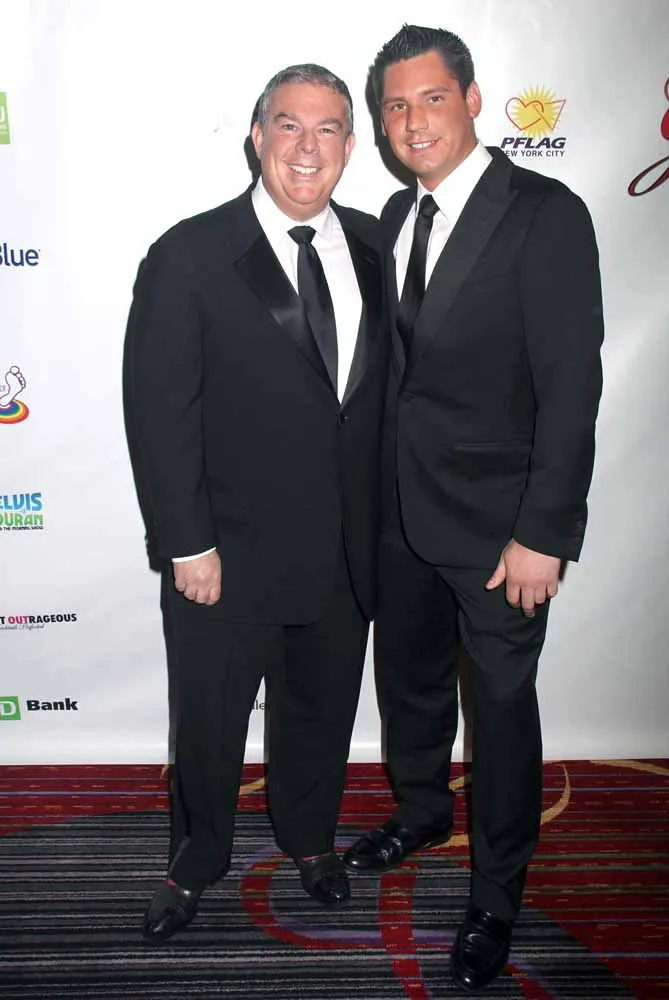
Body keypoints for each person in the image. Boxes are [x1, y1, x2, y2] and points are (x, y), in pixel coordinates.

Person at [343, 25, 604, 990]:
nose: (413, 121)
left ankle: (496, 892)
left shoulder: (544, 213)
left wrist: (544, 531)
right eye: (395, 105)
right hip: (399, 512)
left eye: (431, 98)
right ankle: (420, 812)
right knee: (410, 682)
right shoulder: (393, 214)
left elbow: (570, 387)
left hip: (500, 532)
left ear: (472, 100)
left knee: (498, 712)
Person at [124, 63, 387, 943]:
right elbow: (160, 411)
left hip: (343, 549)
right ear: (256, 136)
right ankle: (193, 861)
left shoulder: (375, 246)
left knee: (321, 712)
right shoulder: (190, 253)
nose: (307, 147)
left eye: (327, 128)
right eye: (288, 125)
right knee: (208, 724)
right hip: (225, 554)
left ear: (350, 145)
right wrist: (186, 542)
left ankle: (309, 840)